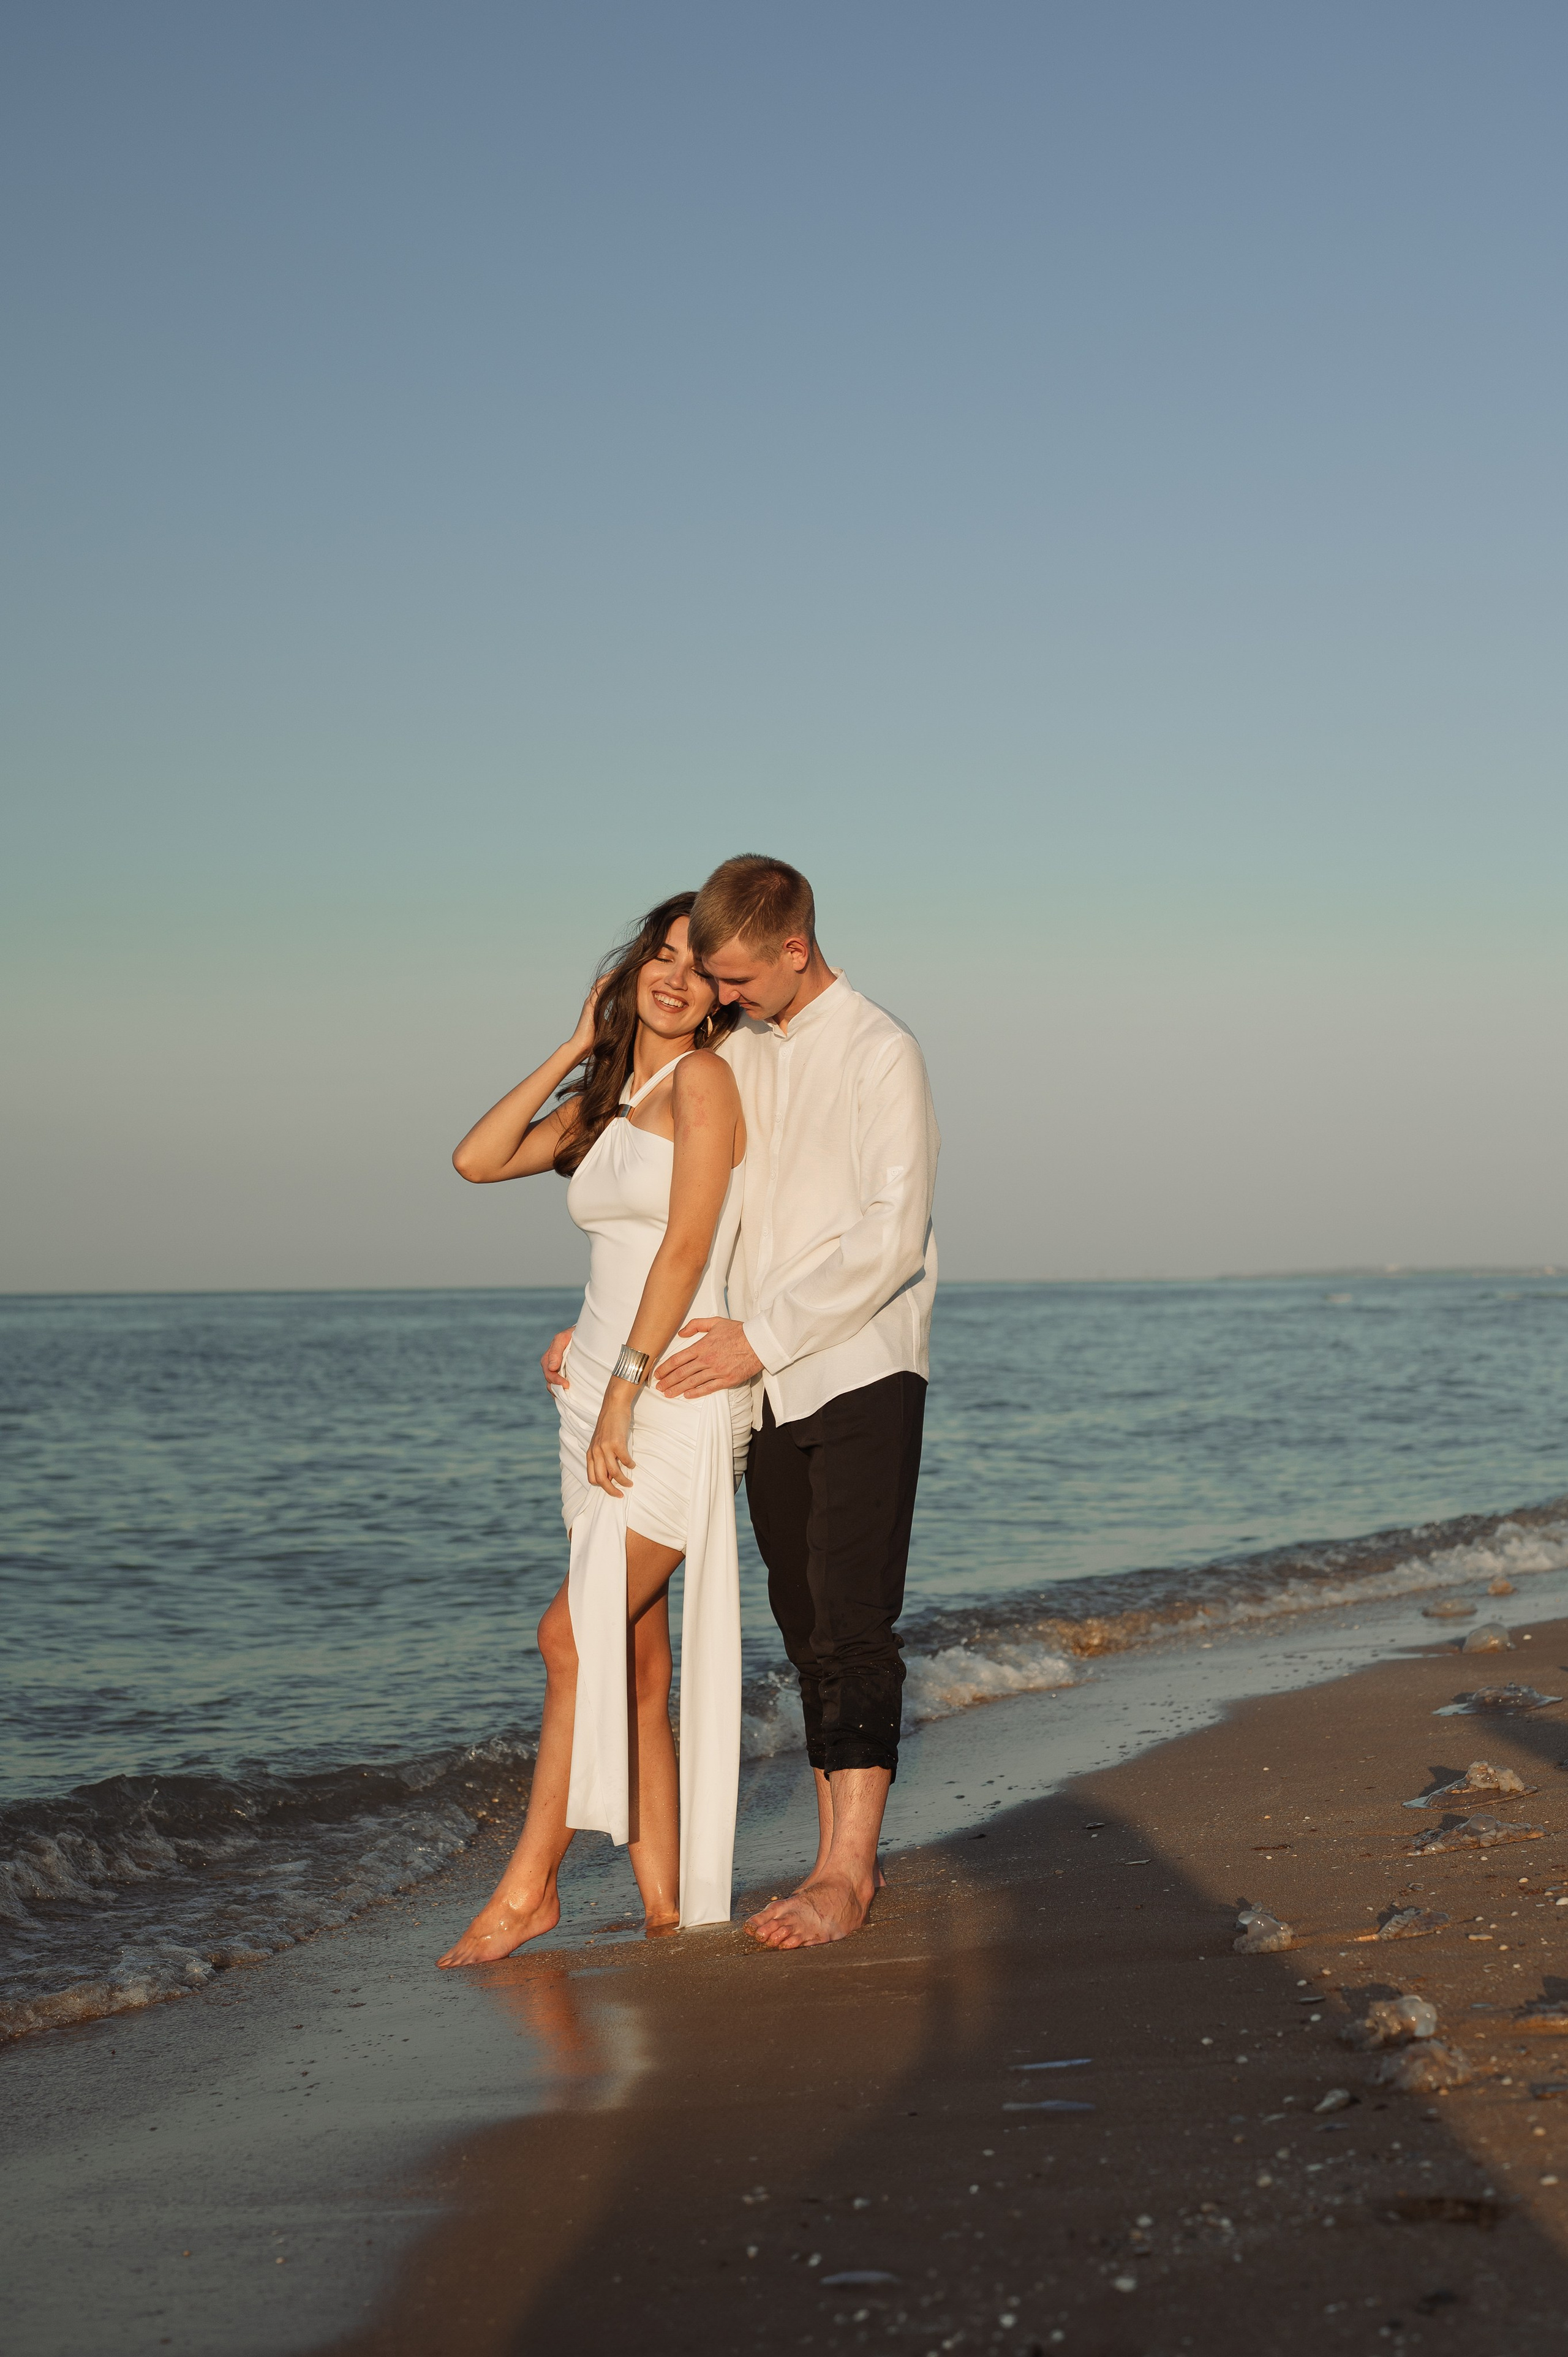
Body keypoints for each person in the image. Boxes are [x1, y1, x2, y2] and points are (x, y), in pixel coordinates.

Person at [544, 855, 940, 1950]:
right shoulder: (738, 1059)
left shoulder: (880, 1050)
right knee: (804, 1625)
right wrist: (607, 1332)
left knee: (855, 1621)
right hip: (752, 1389)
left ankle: (846, 1875)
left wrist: (759, 1338)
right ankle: (828, 1856)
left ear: (793, 949)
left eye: (734, 977)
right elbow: (693, 1227)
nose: (720, 996)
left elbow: (891, 1234)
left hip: (859, 1365)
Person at [437, 894, 751, 1966]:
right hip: (593, 1402)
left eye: (697, 967)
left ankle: (531, 1887)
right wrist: (578, 1045)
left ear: (722, 990)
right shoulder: (612, 1099)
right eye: (658, 957)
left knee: (568, 1635)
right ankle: (666, 1907)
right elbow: (475, 1162)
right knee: (633, 1666)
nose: (674, 978)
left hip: (669, 1398)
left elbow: (687, 1245)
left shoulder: (705, 1082)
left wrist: (625, 1381)